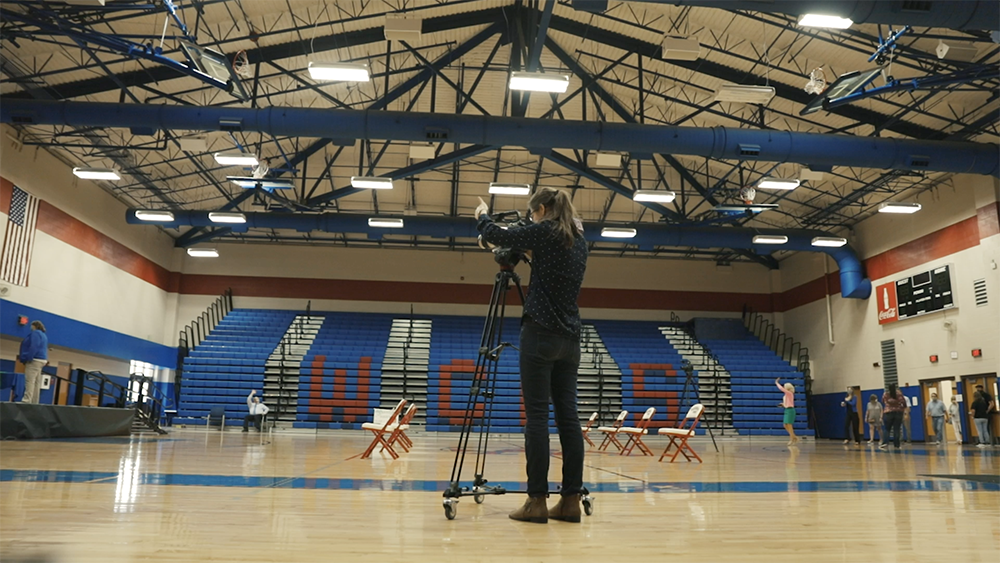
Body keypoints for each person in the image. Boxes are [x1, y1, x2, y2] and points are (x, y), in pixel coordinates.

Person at [475, 188, 588, 524]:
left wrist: (482, 215)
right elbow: (542, 254)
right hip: (571, 337)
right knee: (569, 419)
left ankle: (536, 501)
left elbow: (497, 233)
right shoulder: (578, 238)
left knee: (537, 418)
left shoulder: (546, 229)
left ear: (541, 209)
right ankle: (571, 502)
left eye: (533, 214)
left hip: (540, 332)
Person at [18, 320, 48, 404]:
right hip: (41, 360)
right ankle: (35, 401)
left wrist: (28, 357)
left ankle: (26, 400)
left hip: (34, 359)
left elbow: (33, 346)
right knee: (36, 382)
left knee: (30, 380)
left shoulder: (36, 333)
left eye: (31, 326)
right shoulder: (44, 335)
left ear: (34, 326)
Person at [879, 383, 906, 450]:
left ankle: (885, 443)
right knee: (896, 429)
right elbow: (903, 402)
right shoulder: (899, 394)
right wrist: (903, 409)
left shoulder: (886, 394)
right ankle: (897, 445)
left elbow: (883, 401)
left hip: (888, 413)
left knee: (887, 429)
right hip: (898, 412)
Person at [775, 378, 797, 446]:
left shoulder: (790, 393)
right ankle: (794, 437)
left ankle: (792, 438)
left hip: (790, 410)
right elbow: (787, 403)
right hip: (787, 410)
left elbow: (781, 389)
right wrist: (782, 404)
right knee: (785, 425)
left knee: (789, 425)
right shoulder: (786, 396)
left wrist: (777, 383)